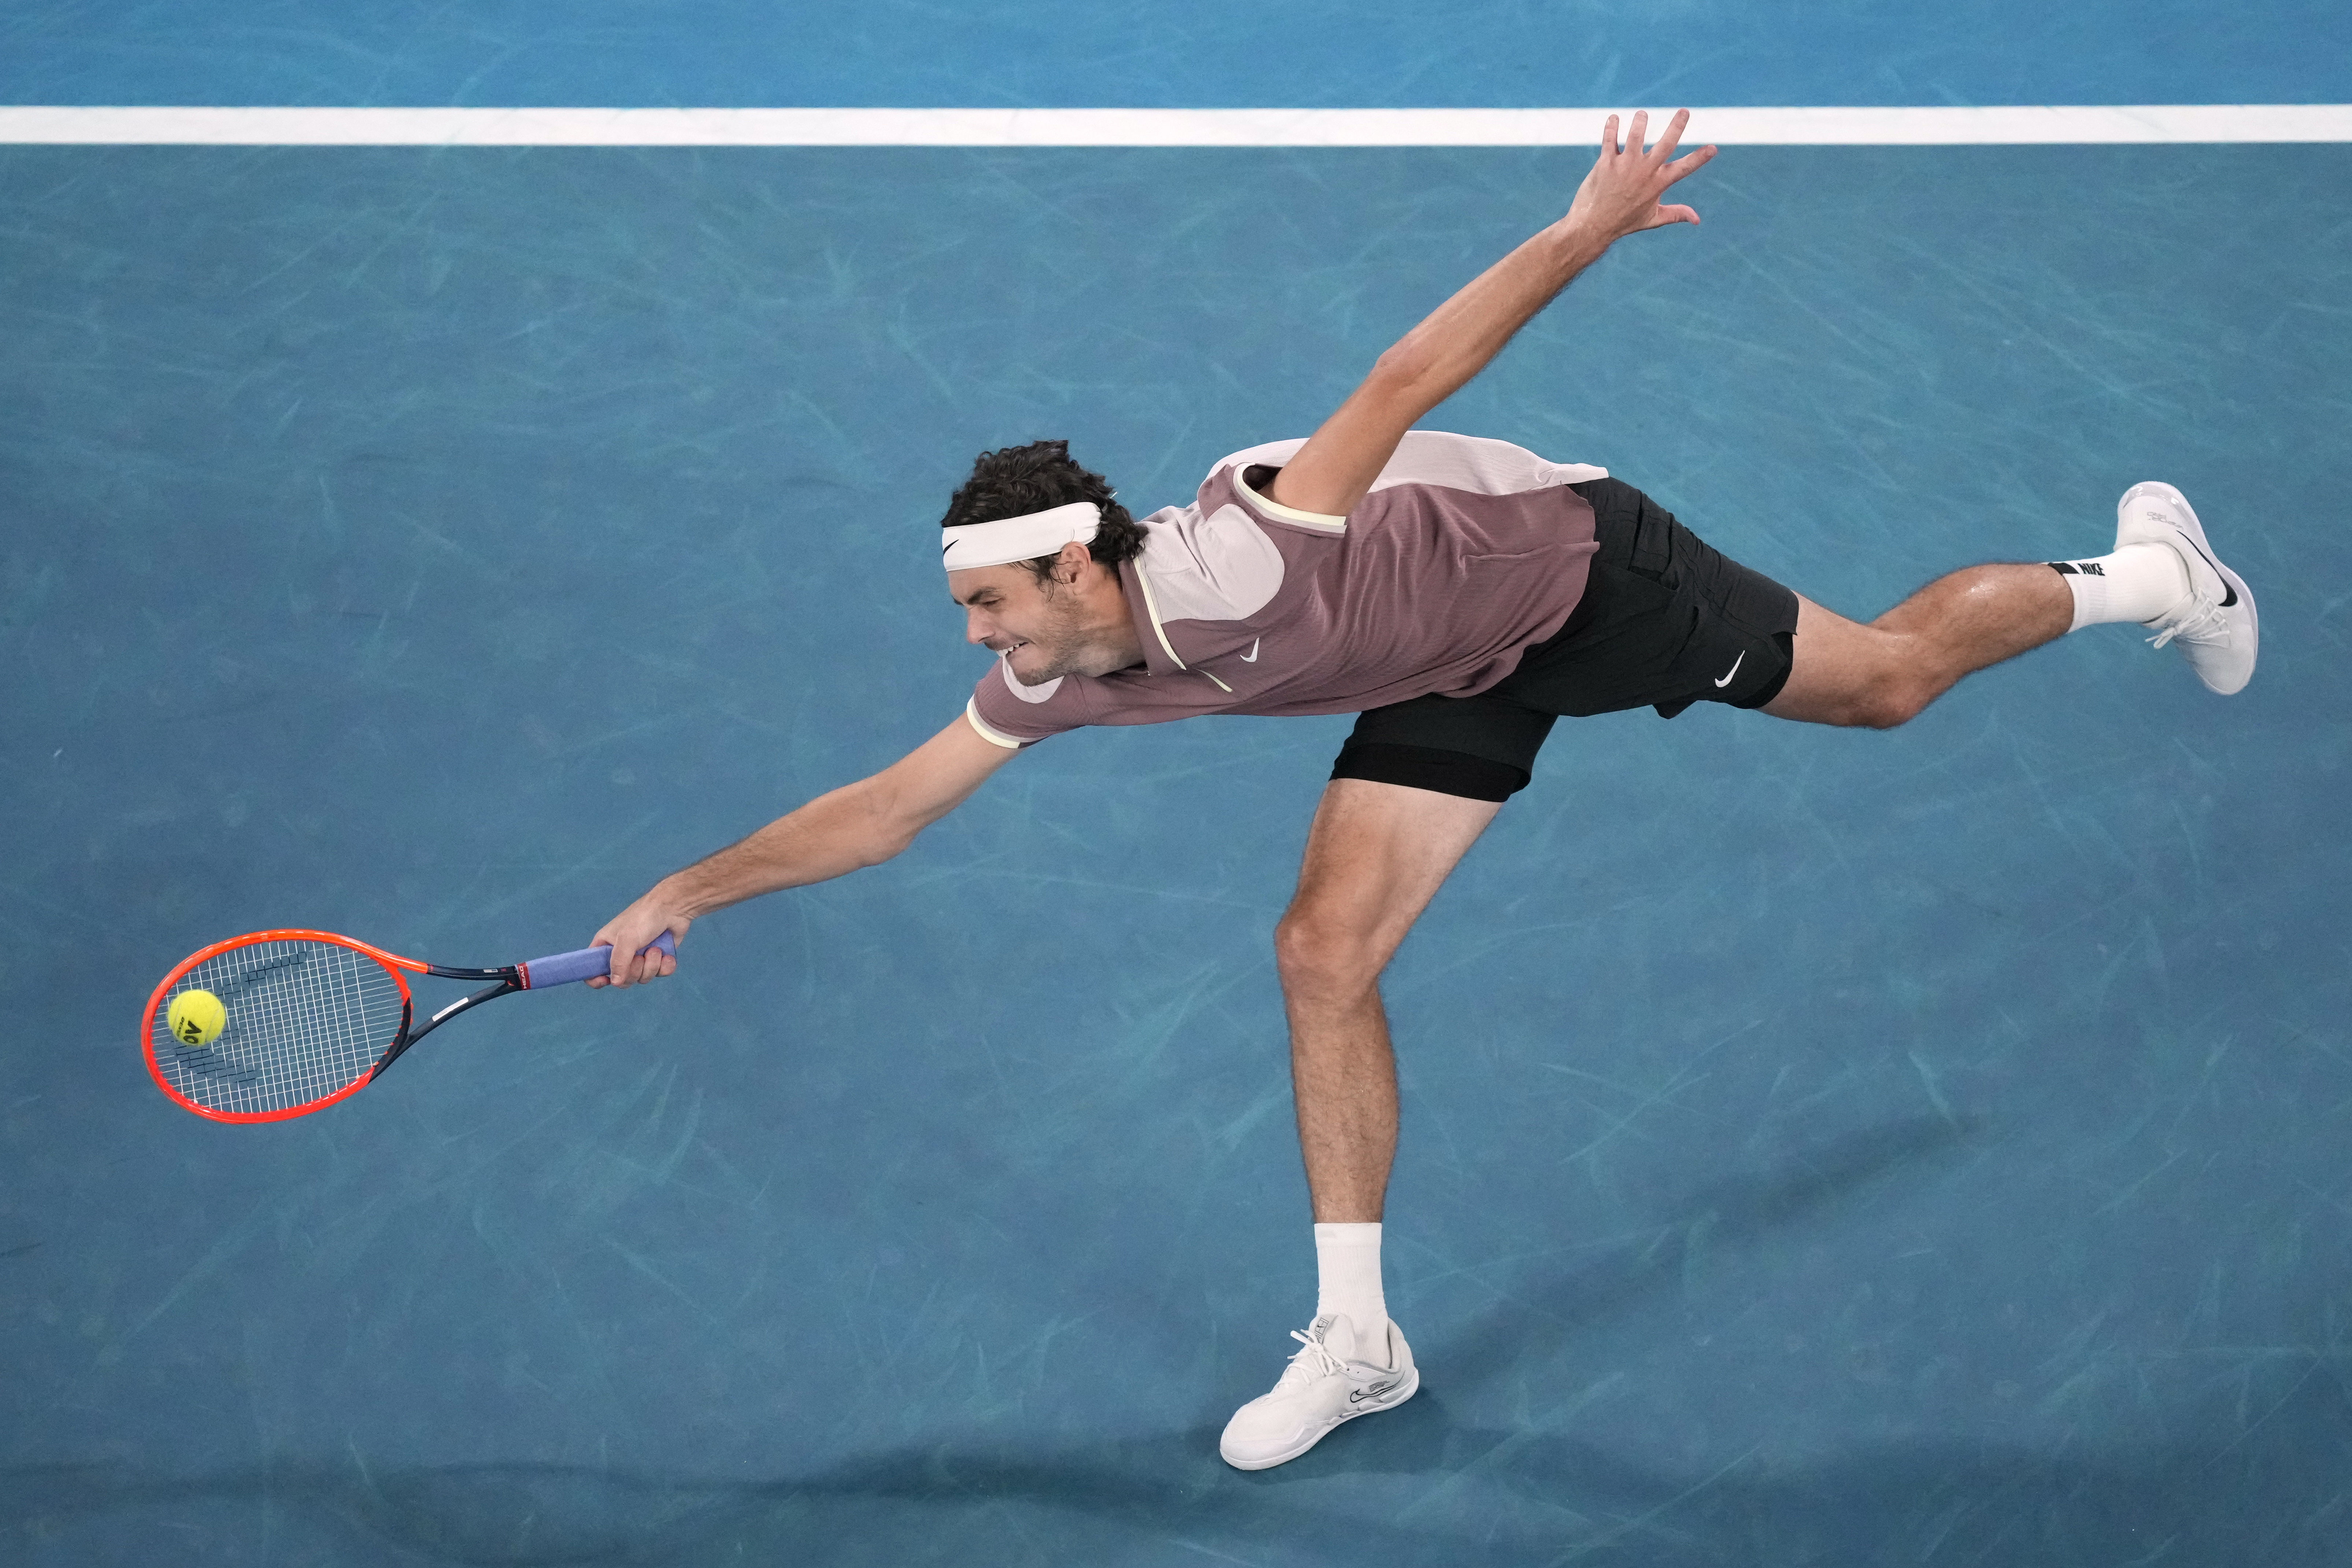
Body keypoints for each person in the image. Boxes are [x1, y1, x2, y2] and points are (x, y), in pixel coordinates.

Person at [586, 110, 2257, 1471]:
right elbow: (891, 805)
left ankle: (2148, 575)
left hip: (1588, 581)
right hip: (1441, 667)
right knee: (1321, 953)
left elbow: (1399, 382)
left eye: (992, 604)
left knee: (1888, 686)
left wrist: (1579, 233)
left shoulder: (1242, 561)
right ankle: (1359, 1340)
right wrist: (683, 892)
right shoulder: (1060, 676)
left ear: (1085, 570)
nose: (977, 638)